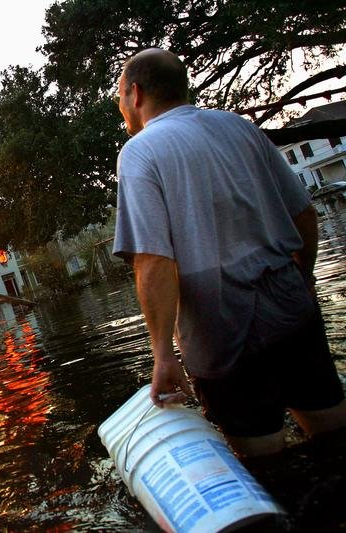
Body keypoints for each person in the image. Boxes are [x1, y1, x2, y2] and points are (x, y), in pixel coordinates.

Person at [112, 48, 346, 456]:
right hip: (291, 305)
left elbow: (153, 261)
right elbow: (303, 212)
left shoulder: (140, 152)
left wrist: (162, 354)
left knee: (265, 461)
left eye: (119, 96)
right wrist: (304, 277)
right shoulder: (239, 127)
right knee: (334, 433)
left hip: (221, 328)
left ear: (135, 93)